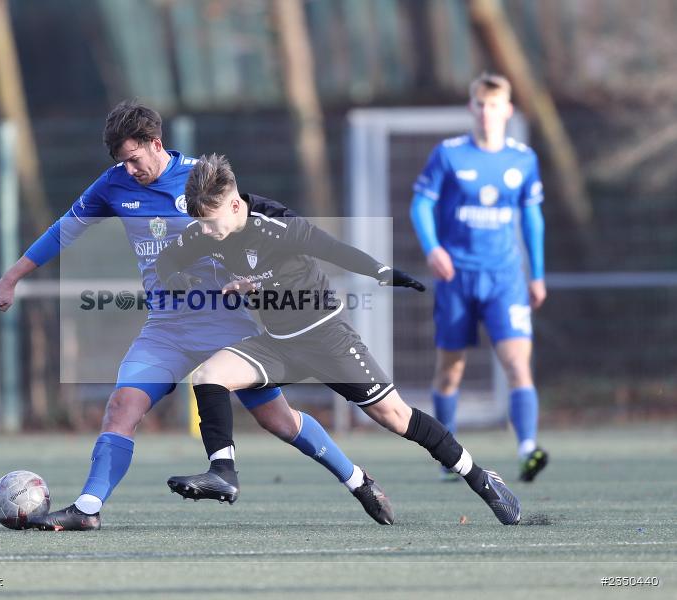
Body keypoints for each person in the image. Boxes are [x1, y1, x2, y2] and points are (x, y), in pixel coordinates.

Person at [0, 101, 394, 531]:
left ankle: (358, 480)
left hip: (228, 326)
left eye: (133, 159)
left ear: (156, 144)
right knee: (122, 407)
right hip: (165, 330)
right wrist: (11, 278)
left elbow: (255, 224)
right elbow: (61, 233)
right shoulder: (111, 187)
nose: (128, 170)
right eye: (121, 163)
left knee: (278, 420)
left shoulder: (203, 179)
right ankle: (88, 509)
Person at [158, 153, 522, 526]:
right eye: (198, 222)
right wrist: (177, 280)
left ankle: (480, 478)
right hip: (278, 343)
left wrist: (383, 273)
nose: (203, 230)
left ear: (235, 204)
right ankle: (223, 473)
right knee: (207, 376)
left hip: (327, 339)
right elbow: (167, 260)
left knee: (396, 417)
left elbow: (332, 249)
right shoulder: (207, 228)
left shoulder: (277, 225)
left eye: (208, 221)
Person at [409, 73, 549, 482]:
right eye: (481, 105)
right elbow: (420, 205)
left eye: (495, 106)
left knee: (517, 365)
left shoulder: (523, 160)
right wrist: (433, 248)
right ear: (473, 108)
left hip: (505, 278)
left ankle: (528, 449)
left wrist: (536, 275)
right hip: (458, 278)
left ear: (507, 110)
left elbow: (532, 219)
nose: (488, 113)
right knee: (450, 369)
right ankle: (447, 454)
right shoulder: (449, 155)